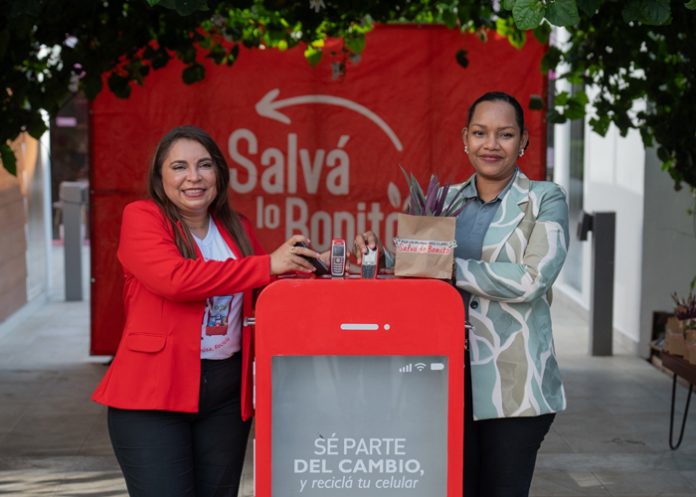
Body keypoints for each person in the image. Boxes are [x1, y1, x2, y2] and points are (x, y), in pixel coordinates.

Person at [354, 91, 569, 497]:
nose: (491, 144)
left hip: (514, 387)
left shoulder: (544, 199)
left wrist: (448, 268)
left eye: (505, 134)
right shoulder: (445, 201)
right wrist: (376, 257)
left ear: (523, 141)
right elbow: (416, 271)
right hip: (444, 379)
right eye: (480, 132)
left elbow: (532, 278)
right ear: (464, 138)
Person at [92, 125, 321, 497]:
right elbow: (175, 279)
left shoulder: (236, 226)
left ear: (219, 174)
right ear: (160, 177)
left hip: (225, 396)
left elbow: (267, 288)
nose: (193, 177)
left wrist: (318, 265)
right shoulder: (143, 218)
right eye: (179, 167)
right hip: (152, 395)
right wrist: (268, 264)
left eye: (205, 165)